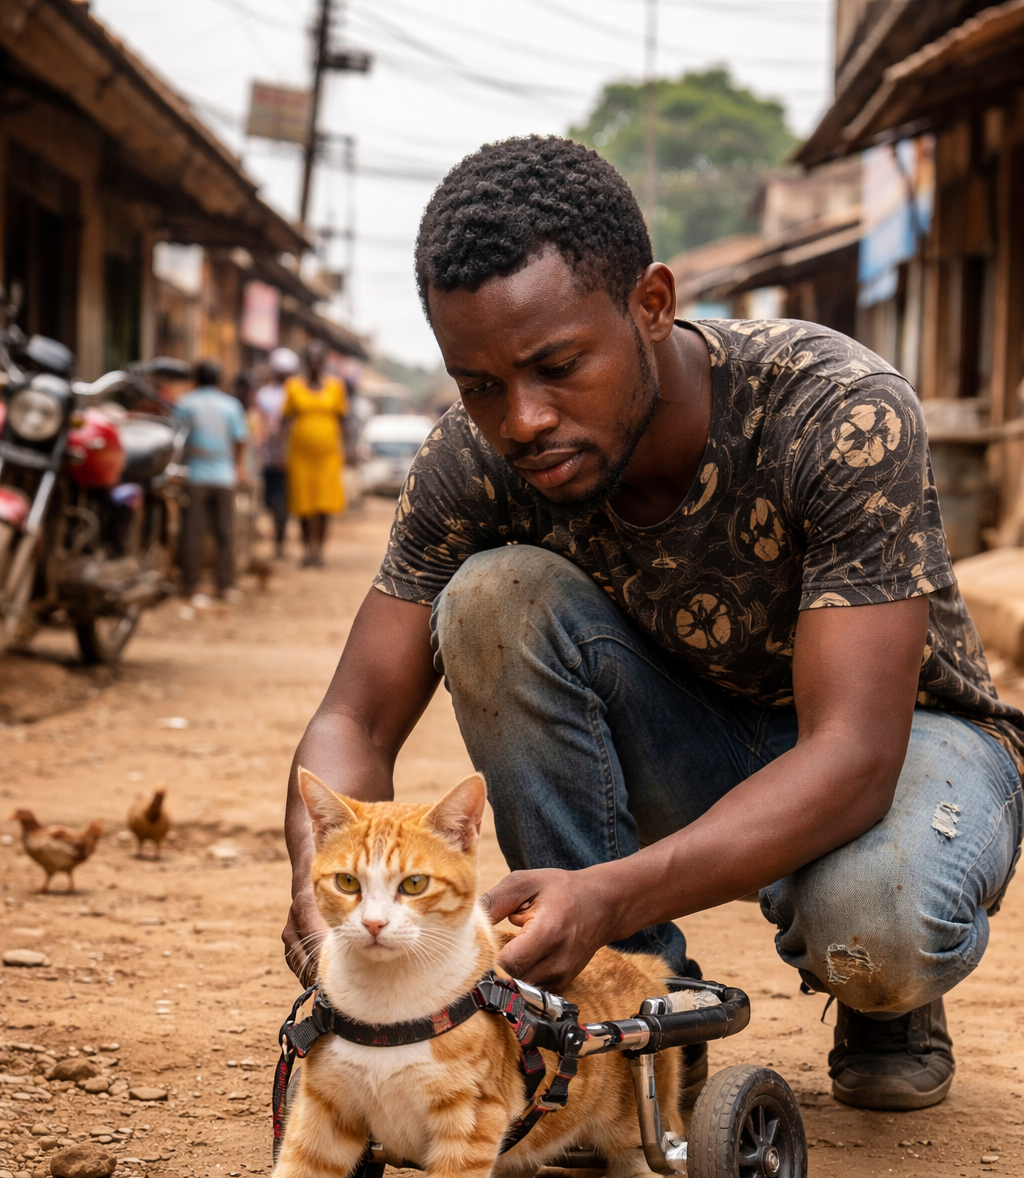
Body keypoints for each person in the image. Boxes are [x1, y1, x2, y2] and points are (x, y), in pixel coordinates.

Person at [282, 136, 1024, 1115]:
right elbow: (356, 720)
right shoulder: (472, 462)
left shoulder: (834, 409)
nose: (522, 420)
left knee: (874, 922)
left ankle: (878, 1001)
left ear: (652, 304)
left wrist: (621, 887)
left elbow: (851, 751)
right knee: (489, 598)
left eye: (557, 366)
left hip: (901, 744)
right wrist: (317, 878)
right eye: (481, 385)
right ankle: (629, 995)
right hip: (694, 739)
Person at [176, 358, 248, 603]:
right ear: (219, 380)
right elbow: (240, 439)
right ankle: (224, 586)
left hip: (194, 474)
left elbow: (177, 439)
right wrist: (238, 467)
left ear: (196, 379)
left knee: (192, 532)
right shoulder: (231, 406)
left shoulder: (185, 403)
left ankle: (190, 585)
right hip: (224, 476)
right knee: (225, 532)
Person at [283, 339, 348, 569]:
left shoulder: (336, 387)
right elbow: (285, 420)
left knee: (323, 505)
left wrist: (349, 449)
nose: (313, 362)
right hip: (300, 456)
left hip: (328, 456)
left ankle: (319, 551)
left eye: (317, 358)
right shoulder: (293, 386)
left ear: (323, 361)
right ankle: (306, 551)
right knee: (303, 504)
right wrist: (280, 451)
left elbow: (343, 420)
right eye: (309, 357)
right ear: (304, 361)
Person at [255, 347, 299, 559]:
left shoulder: (297, 392)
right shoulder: (264, 394)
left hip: (292, 458)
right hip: (269, 458)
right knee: (271, 501)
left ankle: (280, 541)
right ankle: (277, 539)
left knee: (285, 501)